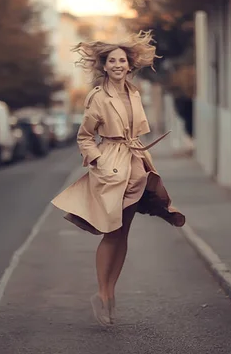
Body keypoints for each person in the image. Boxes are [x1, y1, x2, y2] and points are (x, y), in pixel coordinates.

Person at [51, 30, 185, 326]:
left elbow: (136, 131)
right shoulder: (98, 97)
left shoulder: (134, 93)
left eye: (122, 60)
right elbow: (85, 137)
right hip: (111, 166)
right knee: (112, 231)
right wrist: (97, 159)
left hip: (135, 164)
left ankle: (111, 293)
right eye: (112, 61)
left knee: (124, 232)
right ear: (104, 65)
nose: (117, 65)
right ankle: (102, 294)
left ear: (129, 64)